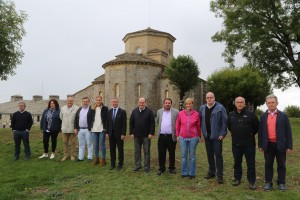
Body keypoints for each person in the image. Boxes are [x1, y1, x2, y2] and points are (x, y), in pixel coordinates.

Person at [258, 94, 293, 191]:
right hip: (268, 145)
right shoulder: (263, 117)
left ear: (277, 103)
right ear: (266, 104)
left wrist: (289, 146)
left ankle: (281, 183)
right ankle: (268, 183)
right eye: (269, 103)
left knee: (281, 164)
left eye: (273, 102)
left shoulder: (283, 116)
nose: (271, 104)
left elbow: (288, 132)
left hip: (281, 144)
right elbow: (261, 132)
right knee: (268, 164)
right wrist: (260, 145)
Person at [227, 96, 259, 190]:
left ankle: (252, 182)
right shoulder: (231, 114)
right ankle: (237, 178)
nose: (240, 104)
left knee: (251, 163)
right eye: (238, 102)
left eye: (241, 102)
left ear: (244, 104)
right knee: (237, 162)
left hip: (249, 144)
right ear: (235, 104)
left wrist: (250, 134)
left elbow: (257, 127)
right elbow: (229, 126)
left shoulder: (251, 114)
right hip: (236, 143)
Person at [199, 92, 227, 184]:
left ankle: (220, 175)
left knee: (218, 155)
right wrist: (202, 132)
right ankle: (212, 172)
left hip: (217, 136)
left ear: (214, 98)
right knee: (209, 154)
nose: (209, 99)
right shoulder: (202, 108)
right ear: (205, 99)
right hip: (207, 136)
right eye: (207, 97)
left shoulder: (220, 108)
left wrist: (223, 133)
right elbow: (200, 120)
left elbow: (224, 122)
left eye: (211, 97)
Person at [176, 98, 201, 179]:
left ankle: (192, 173)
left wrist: (199, 136)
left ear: (192, 104)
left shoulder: (196, 114)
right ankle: (184, 172)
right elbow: (177, 125)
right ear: (185, 105)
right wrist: (177, 135)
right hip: (183, 138)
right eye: (187, 104)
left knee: (192, 156)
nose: (188, 105)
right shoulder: (180, 114)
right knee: (184, 156)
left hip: (193, 137)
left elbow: (198, 126)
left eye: (190, 103)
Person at [130, 97, 155, 173]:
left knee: (146, 152)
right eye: (140, 102)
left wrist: (151, 133)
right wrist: (131, 132)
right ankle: (138, 166)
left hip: (146, 136)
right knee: (137, 152)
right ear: (138, 103)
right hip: (137, 136)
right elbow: (131, 123)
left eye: (143, 102)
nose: (141, 104)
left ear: (145, 103)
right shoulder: (134, 111)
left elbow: (152, 123)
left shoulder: (149, 111)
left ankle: (147, 167)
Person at [157, 98, 179, 175]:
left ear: (171, 104)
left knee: (172, 153)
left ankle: (172, 168)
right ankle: (161, 169)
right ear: (163, 104)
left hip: (171, 136)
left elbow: (178, 123)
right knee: (161, 153)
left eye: (169, 103)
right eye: (166, 103)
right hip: (161, 136)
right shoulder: (159, 111)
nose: (167, 104)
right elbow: (158, 122)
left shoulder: (176, 112)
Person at [106, 97, 127, 170]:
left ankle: (120, 165)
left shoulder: (122, 112)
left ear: (118, 102)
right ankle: (112, 164)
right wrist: (107, 133)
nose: (114, 103)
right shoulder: (109, 111)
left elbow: (124, 124)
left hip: (119, 135)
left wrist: (123, 134)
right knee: (112, 149)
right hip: (111, 134)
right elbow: (107, 123)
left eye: (116, 102)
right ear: (112, 103)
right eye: (113, 102)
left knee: (120, 150)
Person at [90, 96, 108, 166]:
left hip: (102, 129)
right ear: (95, 100)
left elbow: (106, 119)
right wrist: (90, 127)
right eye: (97, 100)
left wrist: (106, 128)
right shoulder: (92, 108)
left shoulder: (105, 108)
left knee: (102, 144)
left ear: (101, 100)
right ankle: (97, 158)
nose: (98, 101)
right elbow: (90, 118)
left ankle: (103, 159)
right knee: (95, 145)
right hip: (94, 129)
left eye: (99, 100)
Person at [60, 96, 79, 161]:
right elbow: (61, 117)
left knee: (73, 143)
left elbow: (77, 119)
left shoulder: (77, 108)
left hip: (73, 129)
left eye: (71, 101)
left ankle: (72, 155)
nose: (69, 102)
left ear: (73, 102)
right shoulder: (63, 108)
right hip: (65, 129)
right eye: (68, 101)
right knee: (65, 142)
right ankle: (65, 155)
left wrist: (76, 128)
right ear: (66, 101)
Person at [74, 97, 93, 161]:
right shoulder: (79, 109)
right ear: (82, 102)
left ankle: (90, 157)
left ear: (88, 102)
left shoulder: (91, 110)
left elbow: (93, 119)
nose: (85, 103)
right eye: (84, 101)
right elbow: (76, 119)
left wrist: (91, 127)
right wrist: (75, 128)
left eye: (86, 101)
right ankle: (80, 157)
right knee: (81, 144)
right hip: (80, 130)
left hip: (88, 129)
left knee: (89, 144)